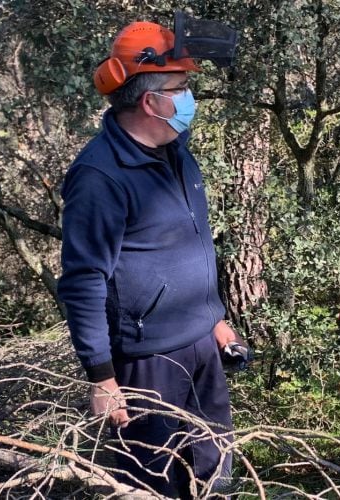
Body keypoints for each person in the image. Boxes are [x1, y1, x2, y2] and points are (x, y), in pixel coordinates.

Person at [58, 20, 245, 498]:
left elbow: (189, 245)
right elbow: (83, 281)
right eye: (180, 87)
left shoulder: (177, 151)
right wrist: (102, 377)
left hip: (202, 346)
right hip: (146, 363)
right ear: (149, 100)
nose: (189, 98)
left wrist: (214, 317)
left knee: (214, 469)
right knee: (153, 483)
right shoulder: (99, 176)